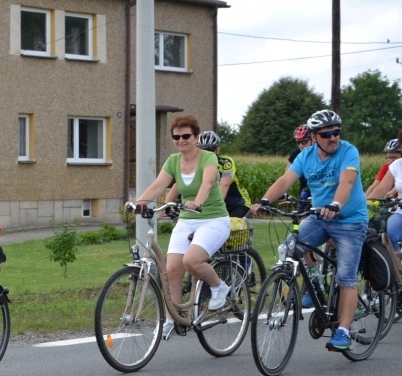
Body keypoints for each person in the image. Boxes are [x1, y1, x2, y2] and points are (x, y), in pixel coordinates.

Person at [252, 109, 368, 351]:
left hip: (349, 220)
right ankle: (313, 287)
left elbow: (347, 181)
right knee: (291, 247)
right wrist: (264, 201)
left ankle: (344, 332)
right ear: (315, 137)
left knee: (346, 276)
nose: (333, 138)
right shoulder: (305, 156)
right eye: (327, 134)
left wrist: (335, 205)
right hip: (319, 217)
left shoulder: (348, 151)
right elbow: (285, 180)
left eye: (336, 132)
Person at [132, 115, 231, 340]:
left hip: (213, 219)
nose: (181, 140)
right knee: (172, 270)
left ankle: (218, 286)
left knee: (191, 261)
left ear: (195, 137)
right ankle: (171, 319)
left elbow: (207, 183)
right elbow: (159, 184)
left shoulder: (208, 158)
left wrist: (198, 201)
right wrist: (139, 202)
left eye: (186, 136)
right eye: (176, 137)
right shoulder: (173, 161)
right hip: (188, 219)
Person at [367, 130, 402, 252]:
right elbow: (380, 188)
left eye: (394, 157)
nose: (391, 160)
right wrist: (364, 203)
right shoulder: (396, 166)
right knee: (391, 230)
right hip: (399, 209)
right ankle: (398, 265)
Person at [287, 124, 313, 208]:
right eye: (298, 142)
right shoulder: (295, 154)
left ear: (313, 139)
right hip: (304, 193)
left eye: (304, 141)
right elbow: (287, 176)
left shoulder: (320, 153)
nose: (301, 145)